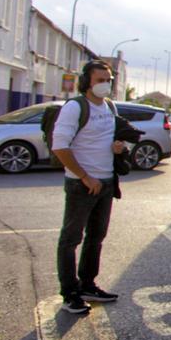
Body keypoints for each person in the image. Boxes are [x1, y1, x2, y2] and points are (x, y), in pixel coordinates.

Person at [52, 60, 126, 314]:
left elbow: (109, 140)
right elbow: (60, 147)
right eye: (99, 80)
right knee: (70, 239)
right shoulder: (75, 108)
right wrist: (85, 177)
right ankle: (69, 293)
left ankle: (87, 284)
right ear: (86, 82)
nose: (105, 84)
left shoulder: (109, 106)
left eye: (108, 80)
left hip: (105, 182)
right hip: (82, 184)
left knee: (96, 238)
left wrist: (117, 148)